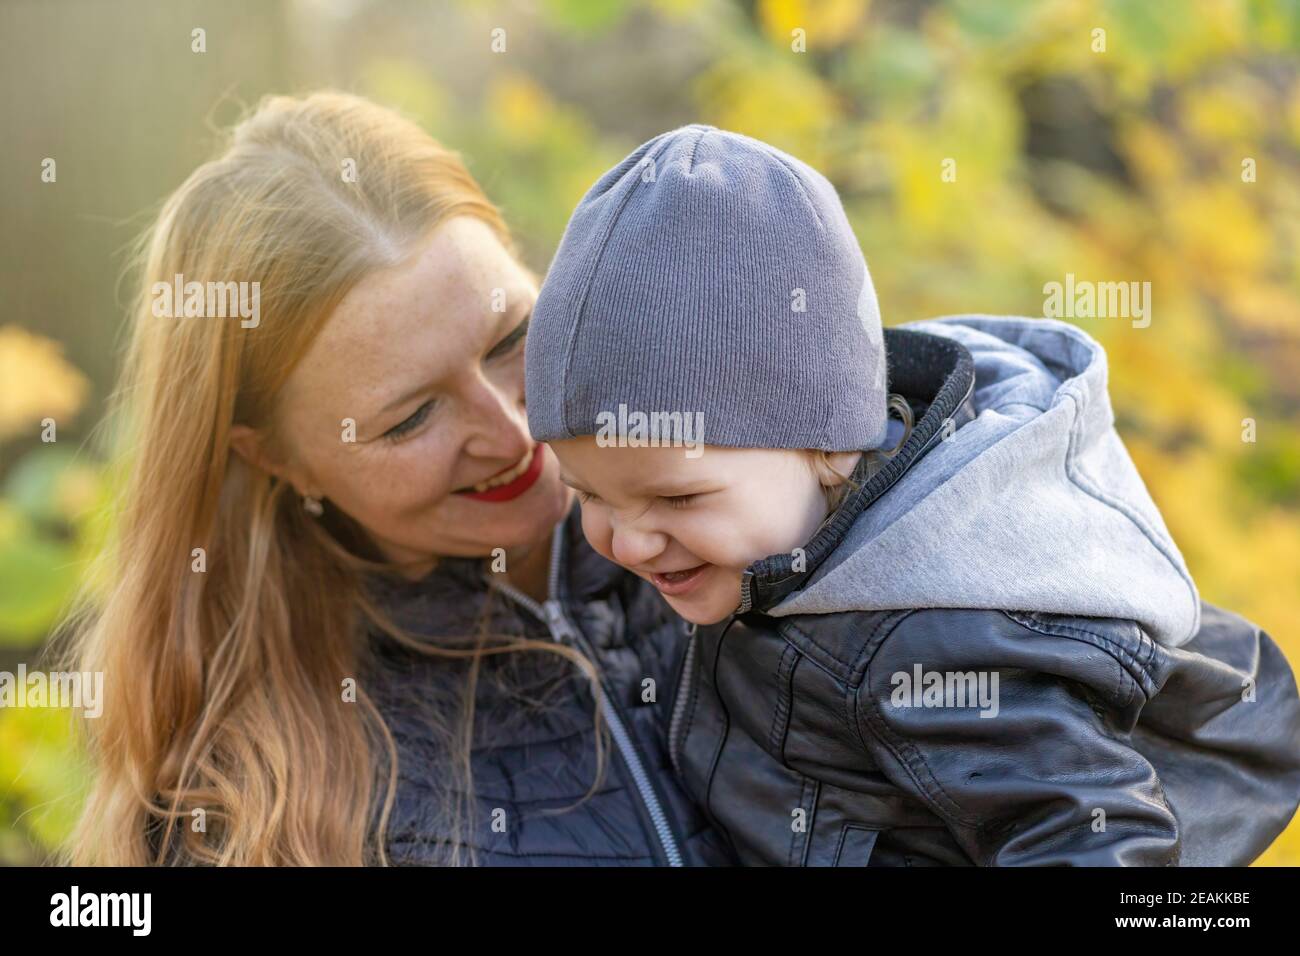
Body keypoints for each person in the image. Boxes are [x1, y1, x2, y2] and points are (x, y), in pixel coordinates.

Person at [525, 124, 1300, 865]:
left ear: (829, 445)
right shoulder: (765, 548)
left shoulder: (931, 632)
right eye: (587, 494)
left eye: (680, 500)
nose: (627, 542)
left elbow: (1092, 835)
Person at [61, 93, 733, 866]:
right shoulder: (242, 809)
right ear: (272, 457)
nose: (511, 431)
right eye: (411, 419)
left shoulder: (763, 502)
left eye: (512, 336)